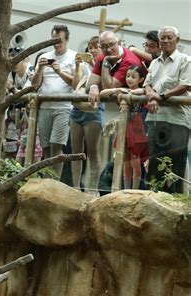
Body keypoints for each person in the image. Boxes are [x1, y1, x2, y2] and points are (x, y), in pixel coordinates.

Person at [143, 26, 190, 193]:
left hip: (177, 120)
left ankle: (175, 206)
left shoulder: (185, 60)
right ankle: (154, 201)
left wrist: (159, 96)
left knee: (175, 166)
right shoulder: (154, 62)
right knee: (155, 165)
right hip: (156, 119)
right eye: (162, 37)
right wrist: (151, 95)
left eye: (169, 37)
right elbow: (147, 85)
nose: (165, 40)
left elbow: (185, 85)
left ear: (177, 40)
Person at [30, 25, 76, 179]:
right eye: (53, 40)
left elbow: (76, 83)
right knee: (46, 147)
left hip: (63, 107)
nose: (56, 44)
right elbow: (34, 85)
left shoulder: (73, 57)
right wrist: (40, 69)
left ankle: (54, 181)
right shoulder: (45, 56)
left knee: (57, 146)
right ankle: (46, 178)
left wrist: (59, 71)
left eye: (59, 40)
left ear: (67, 39)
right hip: (44, 107)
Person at [100, 66, 149, 189]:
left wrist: (129, 92)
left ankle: (135, 189)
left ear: (141, 79)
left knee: (135, 162)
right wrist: (119, 89)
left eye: (133, 77)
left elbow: (143, 92)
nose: (129, 79)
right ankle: (126, 189)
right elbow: (102, 93)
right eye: (127, 76)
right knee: (126, 163)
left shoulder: (142, 91)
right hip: (125, 127)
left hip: (136, 128)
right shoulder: (123, 90)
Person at [69, 36, 104, 194]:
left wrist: (93, 64)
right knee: (76, 152)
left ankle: (93, 188)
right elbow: (75, 85)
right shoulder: (82, 65)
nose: (93, 50)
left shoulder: (105, 65)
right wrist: (77, 66)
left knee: (93, 151)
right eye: (91, 47)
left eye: (96, 47)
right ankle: (76, 187)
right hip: (77, 110)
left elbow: (104, 82)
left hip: (94, 110)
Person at [87, 31, 142, 106]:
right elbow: (88, 86)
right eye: (104, 46)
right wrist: (94, 86)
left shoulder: (129, 61)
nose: (109, 50)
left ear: (118, 43)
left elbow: (108, 88)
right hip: (123, 106)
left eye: (111, 45)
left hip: (141, 106)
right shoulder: (102, 57)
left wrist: (105, 62)